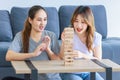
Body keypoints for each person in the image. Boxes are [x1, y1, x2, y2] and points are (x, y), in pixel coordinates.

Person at [3, 5, 62, 80]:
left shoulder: (51, 35)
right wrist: (33, 54)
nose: (42, 23)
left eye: (45, 19)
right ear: (30, 20)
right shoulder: (21, 36)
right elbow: (9, 56)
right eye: (39, 20)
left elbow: (59, 62)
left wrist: (48, 49)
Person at [59, 6, 104, 80]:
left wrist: (83, 55)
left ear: (89, 23)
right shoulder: (69, 33)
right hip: (70, 73)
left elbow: (98, 60)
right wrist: (64, 42)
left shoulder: (96, 36)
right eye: (76, 21)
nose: (79, 25)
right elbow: (61, 57)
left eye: (83, 22)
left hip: (89, 72)